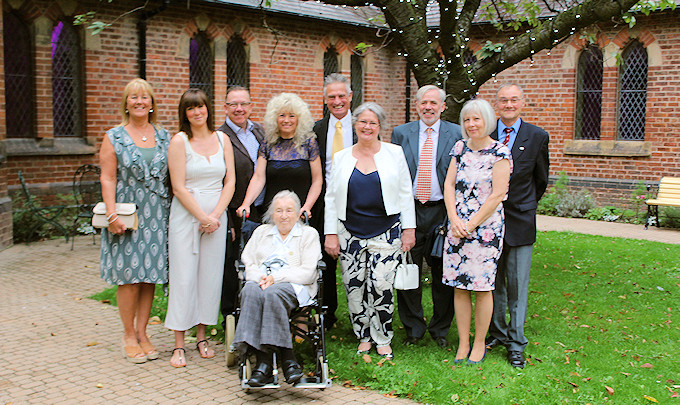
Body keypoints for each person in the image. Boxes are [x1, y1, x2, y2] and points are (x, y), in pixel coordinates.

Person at [325, 102, 416, 359]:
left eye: (372, 122)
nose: (367, 127)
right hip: (349, 231)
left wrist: (409, 229)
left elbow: (405, 192)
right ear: (355, 124)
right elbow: (331, 197)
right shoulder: (341, 156)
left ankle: (382, 336)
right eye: (363, 122)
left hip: (386, 231)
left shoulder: (394, 153)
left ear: (380, 127)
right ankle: (363, 335)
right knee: (354, 287)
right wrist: (330, 233)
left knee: (381, 285)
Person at [99, 78, 171, 363]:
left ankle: (143, 333)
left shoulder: (165, 136)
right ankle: (128, 334)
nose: (139, 102)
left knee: (149, 276)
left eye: (145, 97)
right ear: (126, 103)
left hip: (157, 214)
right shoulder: (114, 136)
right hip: (127, 213)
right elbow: (108, 177)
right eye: (133, 97)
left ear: (152, 104)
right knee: (128, 277)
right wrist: (111, 213)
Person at [165, 89, 236, 368]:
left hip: (216, 216)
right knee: (184, 276)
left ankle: (202, 336)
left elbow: (229, 181)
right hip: (186, 216)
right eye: (190, 108)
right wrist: (201, 217)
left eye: (201, 107)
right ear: (185, 113)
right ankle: (179, 343)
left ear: (208, 109)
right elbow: (178, 187)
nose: (196, 112)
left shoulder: (223, 139)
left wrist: (215, 215)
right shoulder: (179, 141)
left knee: (209, 276)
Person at [391, 85, 462, 348]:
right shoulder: (401, 133)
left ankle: (440, 329)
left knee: (443, 274)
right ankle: (413, 328)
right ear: (417, 105)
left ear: (443, 106)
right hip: (410, 211)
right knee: (409, 270)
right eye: (423, 103)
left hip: (443, 212)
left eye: (434, 103)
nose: (428, 107)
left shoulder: (456, 133)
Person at [442, 99, 512, 365]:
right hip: (456, 227)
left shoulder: (500, 152)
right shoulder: (459, 148)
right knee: (459, 287)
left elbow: (497, 195)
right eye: (467, 120)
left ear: (487, 121)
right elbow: (449, 184)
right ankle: (462, 342)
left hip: (486, 231)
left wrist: (470, 226)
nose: (471, 124)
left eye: (476, 119)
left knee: (482, 287)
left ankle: (480, 343)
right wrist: (454, 219)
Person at [485, 84, 550, 368]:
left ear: (522, 102)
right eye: (503, 100)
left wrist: (523, 204)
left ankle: (516, 341)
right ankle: (497, 332)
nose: (509, 104)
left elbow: (541, 180)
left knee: (517, 285)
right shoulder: (485, 134)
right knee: (493, 281)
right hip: (489, 220)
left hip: (521, 220)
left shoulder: (537, 136)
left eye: (514, 100)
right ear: (496, 104)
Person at [232, 190, 322, 387]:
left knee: (273, 293)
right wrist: (260, 278)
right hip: (262, 282)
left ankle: (270, 363)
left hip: (294, 286)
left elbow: (307, 272)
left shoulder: (308, 234)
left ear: (298, 213)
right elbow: (248, 262)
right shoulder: (261, 233)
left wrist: (276, 278)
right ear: (271, 214)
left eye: (289, 210)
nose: (284, 215)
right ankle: (283, 363)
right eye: (279, 210)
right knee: (249, 290)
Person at [312, 73, 357, 329]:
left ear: (350, 97)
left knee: (354, 259)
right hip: (324, 202)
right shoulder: (316, 129)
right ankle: (327, 314)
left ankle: (358, 314)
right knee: (324, 259)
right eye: (332, 97)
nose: (337, 101)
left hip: (356, 201)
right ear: (325, 99)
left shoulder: (363, 125)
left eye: (342, 96)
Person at [217, 86, 266, 321]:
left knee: (259, 260)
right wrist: (228, 219)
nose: (239, 109)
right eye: (233, 104)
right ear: (225, 107)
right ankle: (230, 313)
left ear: (250, 106)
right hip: (235, 211)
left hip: (261, 209)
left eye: (243, 104)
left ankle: (257, 309)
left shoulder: (259, 131)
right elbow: (219, 179)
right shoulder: (220, 136)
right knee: (233, 263)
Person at [236, 93, 322, 221]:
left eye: (291, 116)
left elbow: (317, 180)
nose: (286, 120)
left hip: (302, 213)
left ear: (299, 118)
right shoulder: (267, 144)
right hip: (273, 214)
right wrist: (246, 203)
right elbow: (259, 178)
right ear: (274, 118)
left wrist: (307, 207)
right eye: (282, 115)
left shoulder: (309, 143)